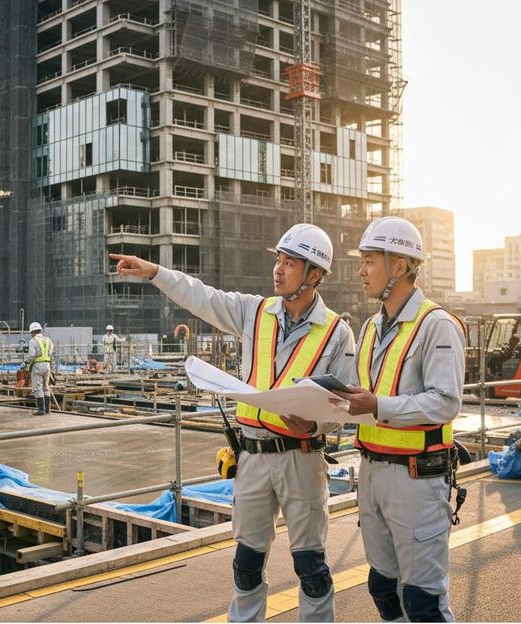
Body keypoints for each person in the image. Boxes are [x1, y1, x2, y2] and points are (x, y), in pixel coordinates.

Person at [111, 223, 355, 623]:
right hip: (254, 456)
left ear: (314, 275)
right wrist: (155, 272)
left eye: (289, 262)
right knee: (245, 562)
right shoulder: (254, 312)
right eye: (278, 259)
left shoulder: (336, 333)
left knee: (310, 566)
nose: (278, 269)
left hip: (302, 458)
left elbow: (343, 402)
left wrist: (313, 428)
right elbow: (202, 297)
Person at [334, 216, 466, 622]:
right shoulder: (371, 327)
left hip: (416, 480)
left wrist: (379, 406)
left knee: (423, 600)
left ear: (400, 266)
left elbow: (445, 402)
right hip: (372, 472)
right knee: (382, 586)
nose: (361, 271)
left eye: (370, 260)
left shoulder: (436, 325)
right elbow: (362, 395)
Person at [24, 322, 53, 415]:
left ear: (32, 332)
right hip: (47, 365)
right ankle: (47, 409)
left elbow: (32, 355)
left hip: (38, 366)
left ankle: (41, 410)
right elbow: (50, 352)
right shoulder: (48, 340)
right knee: (46, 386)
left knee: (38, 387)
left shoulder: (33, 341)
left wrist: (25, 362)